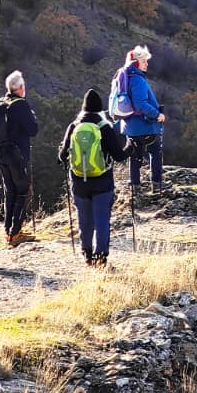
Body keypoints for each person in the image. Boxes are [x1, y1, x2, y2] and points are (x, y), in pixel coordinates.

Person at [57, 87, 129, 266]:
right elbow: (119, 156)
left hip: (79, 181)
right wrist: (132, 147)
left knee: (84, 219)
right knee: (102, 218)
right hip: (102, 182)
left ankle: (87, 254)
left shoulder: (74, 126)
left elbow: (62, 156)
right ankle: (101, 257)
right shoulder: (104, 127)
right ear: (100, 108)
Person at [110, 45, 165, 191]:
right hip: (145, 125)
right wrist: (157, 115)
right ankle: (157, 185)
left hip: (129, 126)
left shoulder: (123, 77)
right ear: (136, 63)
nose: (147, 63)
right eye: (144, 61)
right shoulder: (137, 80)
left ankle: (135, 186)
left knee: (134, 155)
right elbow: (140, 105)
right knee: (155, 152)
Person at [0, 69, 40, 246]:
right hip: (19, 156)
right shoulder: (20, 105)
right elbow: (33, 130)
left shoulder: (2, 103)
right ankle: (15, 233)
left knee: (10, 192)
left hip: (3, 156)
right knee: (23, 191)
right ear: (21, 87)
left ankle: (9, 230)